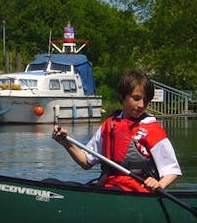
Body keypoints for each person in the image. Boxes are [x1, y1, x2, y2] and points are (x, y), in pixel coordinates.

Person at [52, 69, 182, 192]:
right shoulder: (109, 125)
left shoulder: (151, 129)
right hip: (108, 185)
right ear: (122, 96)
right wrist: (65, 142)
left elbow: (172, 170)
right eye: (136, 98)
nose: (142, 105)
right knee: (51, 183)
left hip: (135, 189)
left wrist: (159, 184)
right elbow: (86, 161)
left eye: (146, 100)